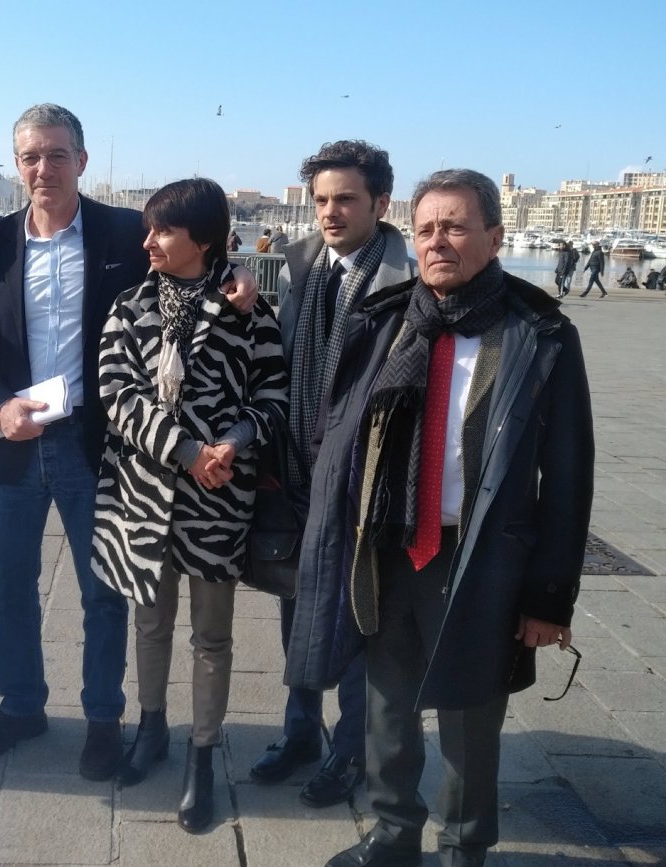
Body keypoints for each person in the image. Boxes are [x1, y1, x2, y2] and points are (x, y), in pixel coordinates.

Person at [0, 104, 258, 782]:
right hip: (13, 440)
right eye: (31, 156)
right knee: (9, 586)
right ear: (17, 164)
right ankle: (21, 705)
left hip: (97, 443)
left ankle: (102, 717)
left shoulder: (124, 231)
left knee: (105, 589)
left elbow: (194, 252)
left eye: (57, 154)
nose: (43, 168)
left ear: (82, 161)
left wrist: (235, 272)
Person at [311, 169, 593, 867]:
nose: (438, 241)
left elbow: (567, 477)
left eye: (457, 226)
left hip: (481, 557)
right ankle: (392, 831)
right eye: (427, 227)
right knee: (385, 707)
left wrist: (549, 597)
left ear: (495, 237)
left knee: (471, 718)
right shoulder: (386, 320)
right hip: (390, 546)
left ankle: (465, 847)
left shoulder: (540, 333)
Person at [92, 178, 288, 832]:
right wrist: (185, 450)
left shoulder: (248, 310)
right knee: (149, 623)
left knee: (212, 633)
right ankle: (151, 727)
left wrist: (230, 444)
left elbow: (272, 395)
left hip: (217, 498)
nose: (147, 241)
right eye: (148, 229)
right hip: (146, 492)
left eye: (163, 231)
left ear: (202, 239)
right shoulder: (128, 307)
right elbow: (117, 397)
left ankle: (202, 752)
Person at [251, 140, 414, 808]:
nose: (330, 212)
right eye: (320, 200)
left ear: (380, 202)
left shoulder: (405, 282)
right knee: (298, 617)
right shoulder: (298, 269)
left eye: (345, 199)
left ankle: (351, 750)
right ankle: (299, 733)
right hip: (296, 473)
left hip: (359, 481)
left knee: (353, 626)